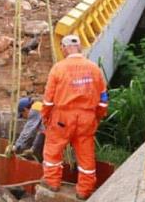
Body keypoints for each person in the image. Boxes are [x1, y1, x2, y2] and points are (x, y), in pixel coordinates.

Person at [40, 35, 108, 201]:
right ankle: (84, 190)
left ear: (63, 48)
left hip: (63, 117)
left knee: (53, 150)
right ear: (80, 47)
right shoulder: (94, 69)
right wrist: (96, 118)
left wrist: (45, 117)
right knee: (86, 156)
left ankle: (52, 182)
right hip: (86, 118)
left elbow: (48, 100)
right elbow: (103, 100)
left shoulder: (58, 69)